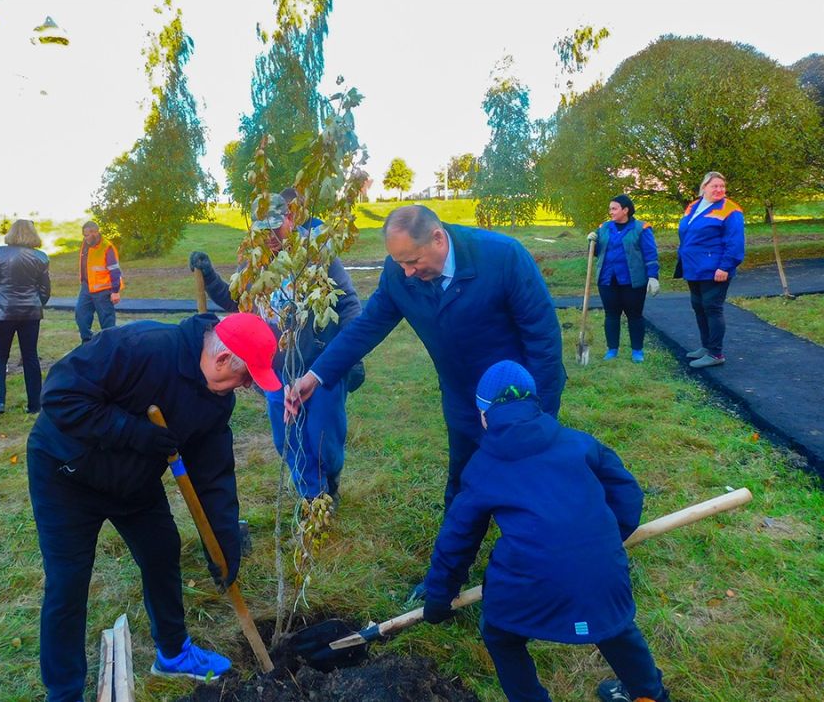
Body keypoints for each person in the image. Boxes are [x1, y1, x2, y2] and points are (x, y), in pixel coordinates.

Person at [26, 312, 281, 702]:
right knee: (68, 581)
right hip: (66, 473)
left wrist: (225, 543)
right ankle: (63, 691)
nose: (247, 386)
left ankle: (174, 652)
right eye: (246, 376)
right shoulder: (139, 347)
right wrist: (132, 432)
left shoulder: (216, 401)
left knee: (162, 552)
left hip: (133, 483)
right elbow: (60, 397)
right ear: (222, 358)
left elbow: (213, 477)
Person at [286, 204, 565, 515]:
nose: (408, 272)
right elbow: (367, 326)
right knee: (463, 484)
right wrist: (316, 375)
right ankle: (457, 555)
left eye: (413, 261)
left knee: (527, 482)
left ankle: (532, 546)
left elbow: (544, 341)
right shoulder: (399, 273)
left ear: (438, 238)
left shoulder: (503, 257)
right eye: (400, 262)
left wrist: (541, 411)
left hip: (516, 399)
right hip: (460, 397)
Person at [422, 360, 671, 702]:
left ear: (484, 416)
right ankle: (649, 695)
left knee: (500, 635)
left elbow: (458, 539)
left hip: (527, 585)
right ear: (535, 404)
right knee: (613, 625)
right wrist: (609, 537)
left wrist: (439, 595)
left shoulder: (482, 468)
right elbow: (627, 492)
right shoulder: (580, 443)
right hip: (603, 574)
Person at [189, 191, 362, 502]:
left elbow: (348, 302)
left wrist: (348, 354)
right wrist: (209, 275)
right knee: (287, 439)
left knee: (324, 435)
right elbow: (236, 299)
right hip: (275, 369)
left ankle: (329, 481)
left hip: (320, 364)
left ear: (291, 218)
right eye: (262, 229)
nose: (270, 236)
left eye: (275, 226)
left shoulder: (316, 254)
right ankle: (312, 495)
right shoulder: (255, 261)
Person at [0, 219, 51, 417]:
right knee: (30, 356)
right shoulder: (41, 257)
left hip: (4, 311)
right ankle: (35, 404)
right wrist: (37, 302)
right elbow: (45, 289)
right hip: (30, 311)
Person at [676, 172, 745, 369]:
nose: (719, 190)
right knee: (698, 306)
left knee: (712, 308)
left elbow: (735, 242)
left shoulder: (730, 210)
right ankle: (706, 347)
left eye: (722, 186)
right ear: (704, 187)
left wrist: (725, 266)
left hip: (714, 268)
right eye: (714, 186)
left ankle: (716, 353)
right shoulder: (694, 206)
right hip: (693, 267)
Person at [586, 194, 660, 364]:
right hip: (607, 279)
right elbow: (596, 252)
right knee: (611, 315)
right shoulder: (604, 228)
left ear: (625, 210)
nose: (610, 212)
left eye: (614, 208)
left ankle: (637, 351)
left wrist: (653, 276)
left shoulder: (642, 228)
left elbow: (650, 254)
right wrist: (592, 242)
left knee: (634, 315)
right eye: (610, 208)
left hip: (633, 281)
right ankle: (612, 350)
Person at [75, 221, 123, 343]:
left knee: (107, 323)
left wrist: (115, 291)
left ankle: (110, 347)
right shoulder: (86, 244)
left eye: (86, 235)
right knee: (81, 315)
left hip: (103, 291)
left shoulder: (107, 247)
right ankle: (87, 343)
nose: (84, 238)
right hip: (86, 287)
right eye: (84, 235)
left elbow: (115, 270)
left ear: (95, 233)